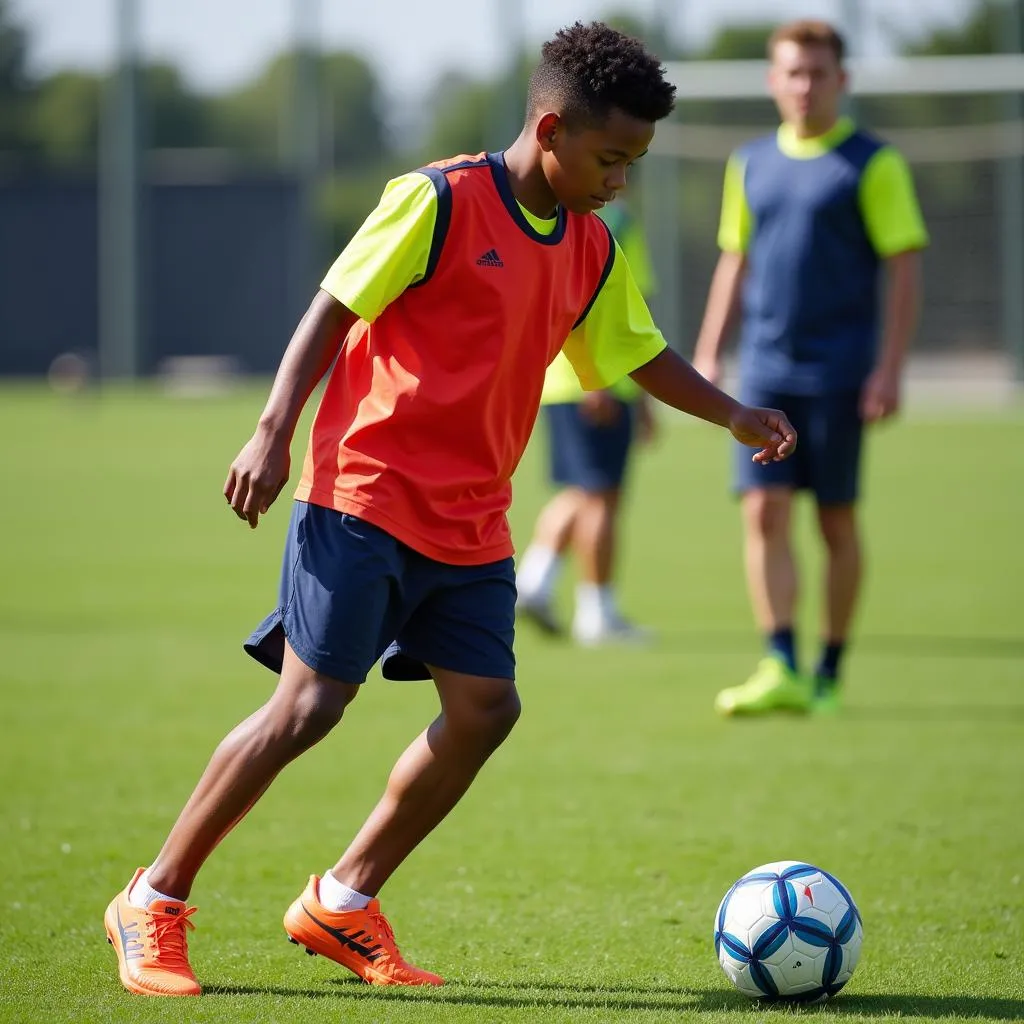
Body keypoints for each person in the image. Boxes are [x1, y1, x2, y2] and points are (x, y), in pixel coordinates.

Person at [103, 21, 797, 998]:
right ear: (549, 129)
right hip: (364, 494)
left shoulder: (590, 246)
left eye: (635, 162)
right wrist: (271, 430)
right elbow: (333, 307)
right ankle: (153, 898)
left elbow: (636, 352)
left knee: (484, 708)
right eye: (610, 158)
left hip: (472, 520)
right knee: (308, 707)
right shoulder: (435, 200)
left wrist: (729, 411)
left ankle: (342, 902)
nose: (620, 180)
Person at [691, 19, 928, 717]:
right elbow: (734, 260)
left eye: (817, 73)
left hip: (841, 372)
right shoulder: (749, 162)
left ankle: (828, 671)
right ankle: (780, 662)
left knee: (834, 524)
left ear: (841, 81)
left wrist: (889, 368)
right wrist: (709, 351)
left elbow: (905, 268)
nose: (804, 85)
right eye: (792, 72)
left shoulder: (873, 163)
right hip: (766, 369)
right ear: (772, 81)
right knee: (763, 512)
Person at [515, 200, 658, 645]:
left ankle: (536, 583)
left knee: (585, 492)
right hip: (596, 381)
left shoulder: (551, 216)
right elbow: (613, 306)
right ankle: (595, 612)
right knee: (600, 497)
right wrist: (601, 382)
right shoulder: (611, 223)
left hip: (563, 381)